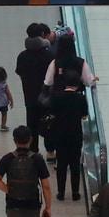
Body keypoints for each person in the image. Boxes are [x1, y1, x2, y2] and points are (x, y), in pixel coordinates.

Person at [42, 34, 94, 200]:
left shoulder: (55, 63)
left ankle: (61, 193)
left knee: (62, 163)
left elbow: (48, 81)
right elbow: (89, 80)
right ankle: (76, 193)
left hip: (59, 131)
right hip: (75, 132)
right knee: (75, 163)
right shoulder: (80, 63)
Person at [0, 125, 53, 217]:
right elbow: (46, 186)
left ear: (14, 140)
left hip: (13, 207)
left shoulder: (7, 158)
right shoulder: (37, 159)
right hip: (32, 207)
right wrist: (48, 208)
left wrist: (9, 190)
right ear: (30, 140)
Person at [15, 23, 54, 153]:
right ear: (43, 35)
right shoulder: (49, 56)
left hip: (30, 97)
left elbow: (20, 74)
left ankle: (32, 151)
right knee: (49, 123)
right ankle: (50, 151)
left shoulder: (22, 57)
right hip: (46, 96)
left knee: (31, 125)